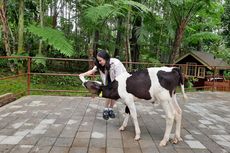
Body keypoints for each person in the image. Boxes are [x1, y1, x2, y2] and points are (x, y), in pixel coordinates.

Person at [79, 50, 127, 120]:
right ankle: (105, 109)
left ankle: (110, 109)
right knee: (108, 94)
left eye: (100, 60)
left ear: (105, 58)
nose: (99, 62)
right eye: (98, 60)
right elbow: (92, 71)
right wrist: (83, 74)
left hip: (118, 80)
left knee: (113, 95)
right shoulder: (100, 65)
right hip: (108, 80)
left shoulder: (116, 63)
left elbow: (119, 77)